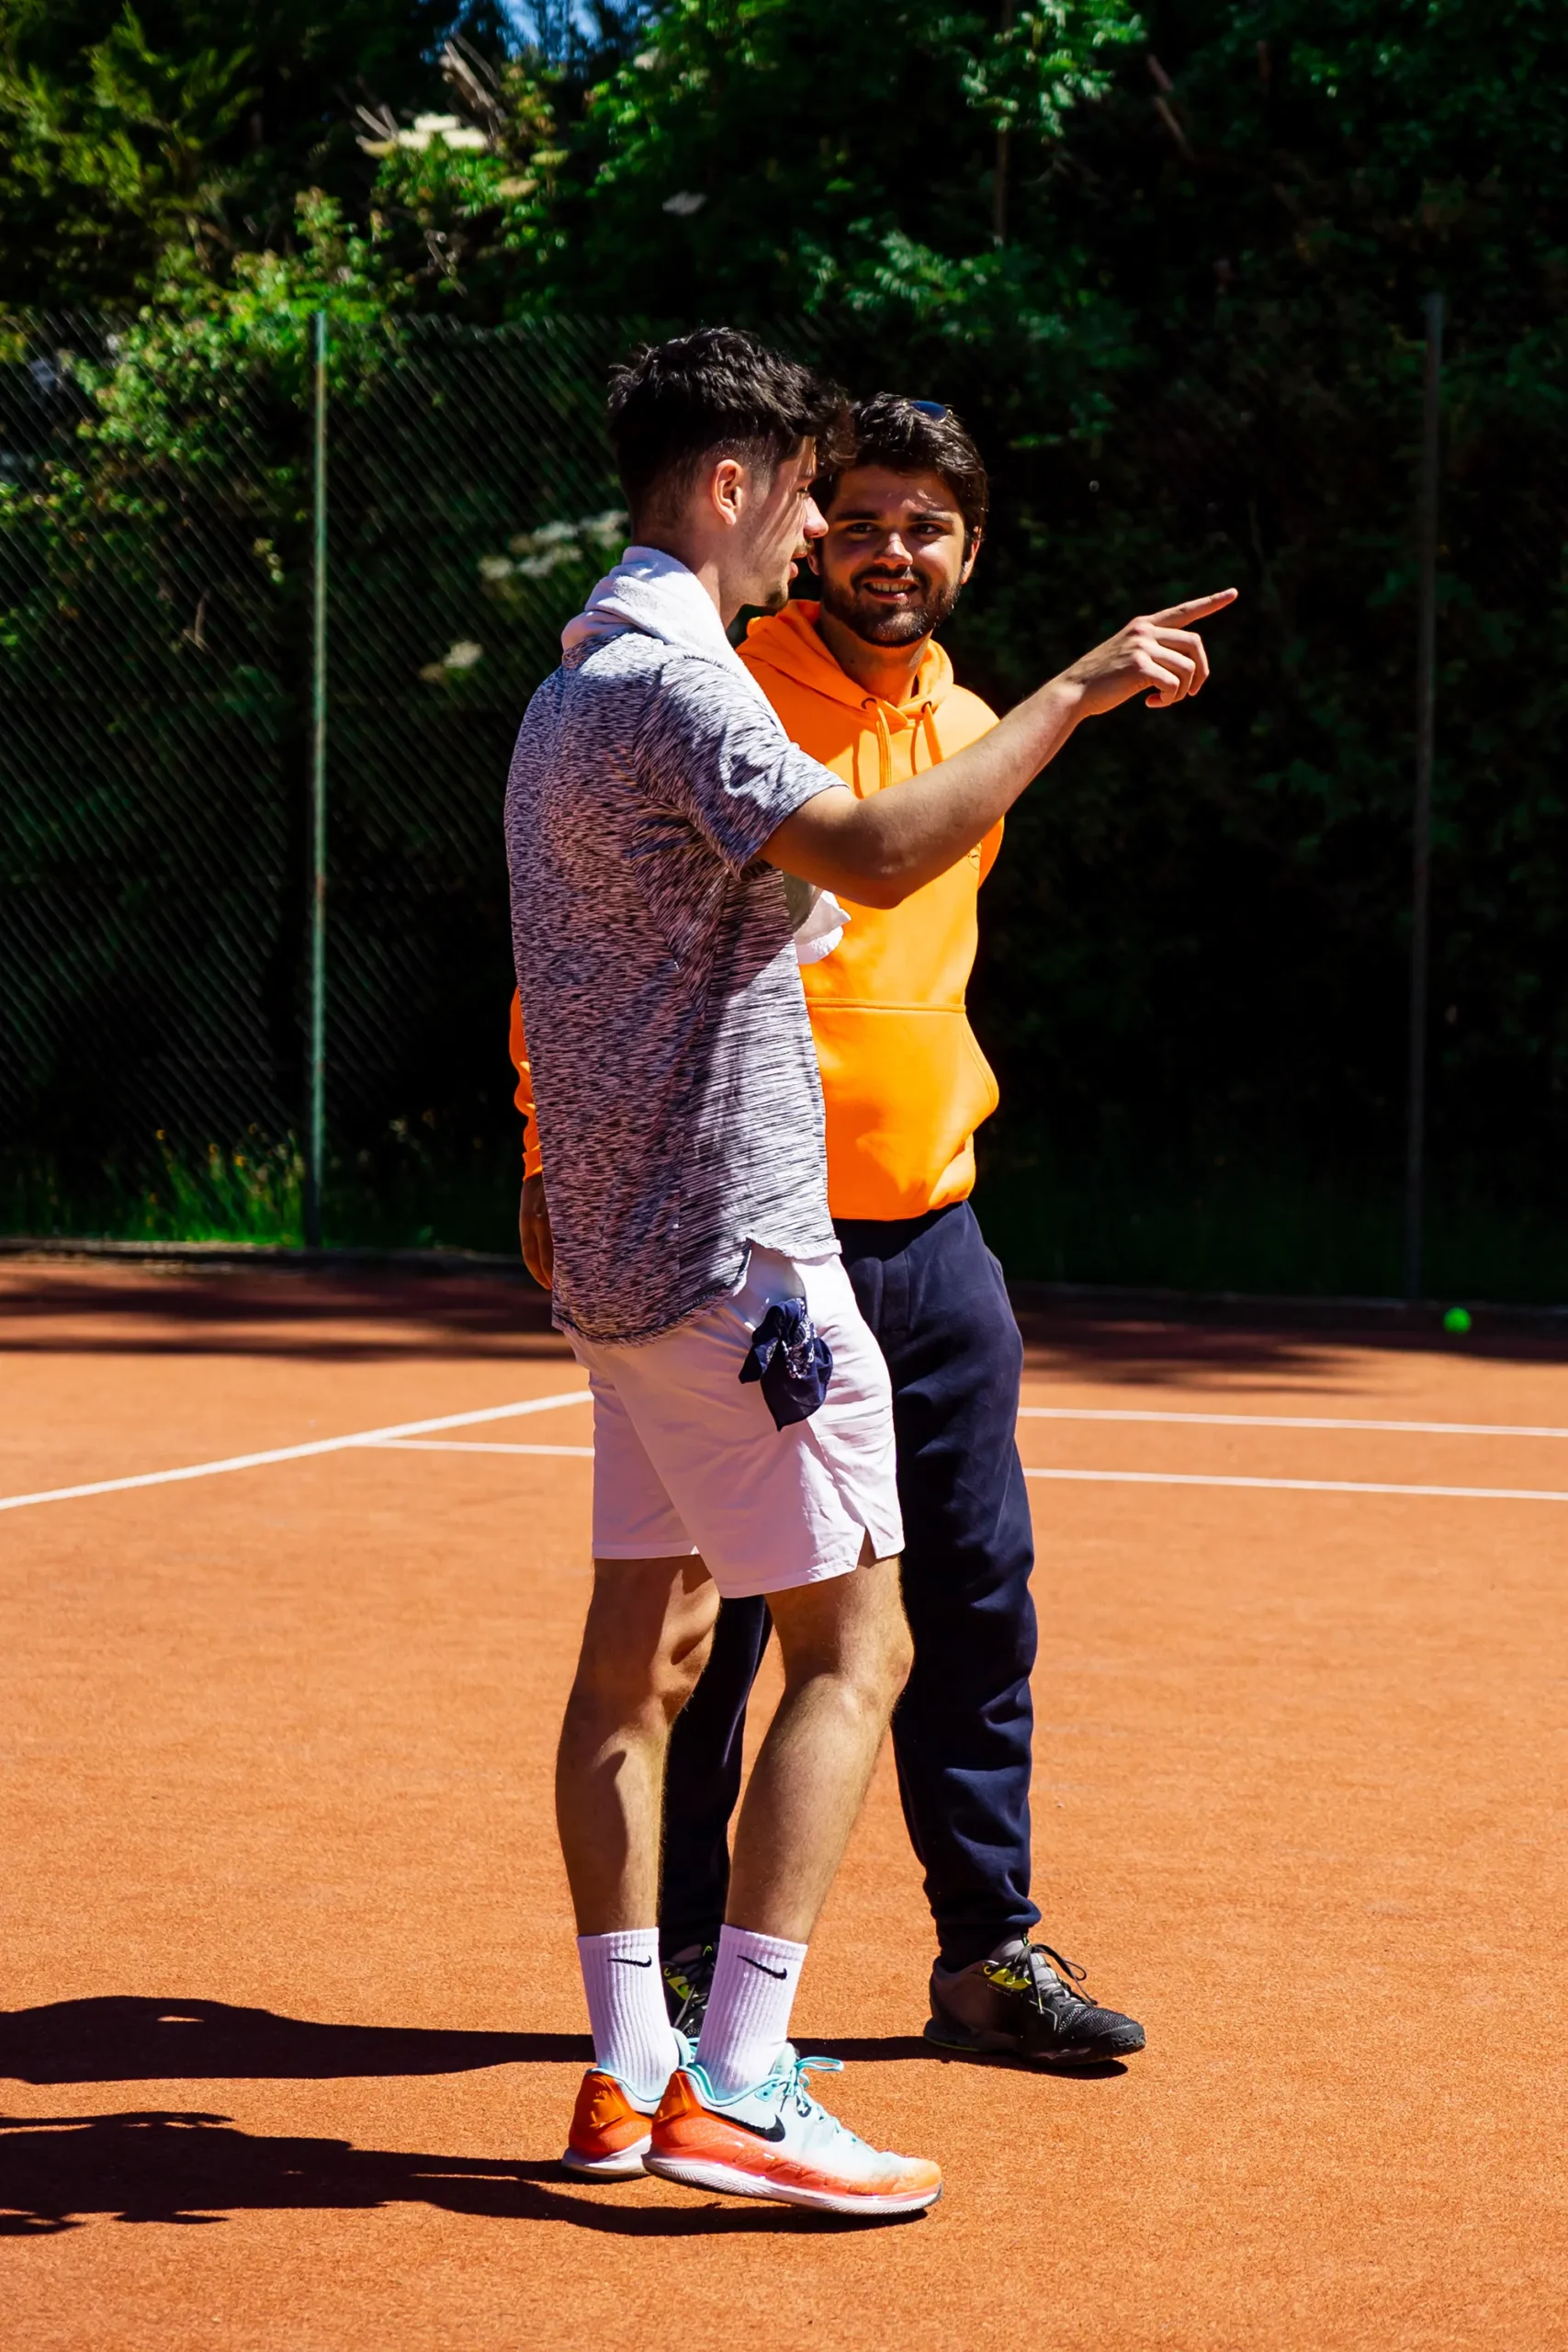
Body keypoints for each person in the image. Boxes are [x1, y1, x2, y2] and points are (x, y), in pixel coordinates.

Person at [505, 325, 1231, 2214]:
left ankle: (640, 2064)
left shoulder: (566, 684)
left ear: (967, 546)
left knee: (681, 1655)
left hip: (731, 1248)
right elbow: (889, 852)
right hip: (752, 1248)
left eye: (913, 519)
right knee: (845, 1639)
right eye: (827, 502)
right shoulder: (698, 687)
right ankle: (736, 2063)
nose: (851, 534)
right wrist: (1078, 686)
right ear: (746, 495)